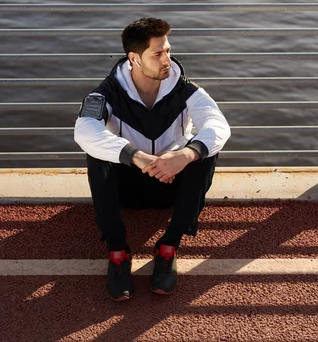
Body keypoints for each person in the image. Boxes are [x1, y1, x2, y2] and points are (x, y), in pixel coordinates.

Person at [74, 17, 231, 301]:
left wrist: (185, 155)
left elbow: (219, 126)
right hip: (128, 187)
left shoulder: (187, 90)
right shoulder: (106, 94)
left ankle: (169, 245)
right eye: (157, 54)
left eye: (168, 50)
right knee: (97, 152)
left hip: (172, 184)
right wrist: (138, 157)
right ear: (134, 58)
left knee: (205, 149)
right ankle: (118, 251)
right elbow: (84, 130)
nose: (166, 59)